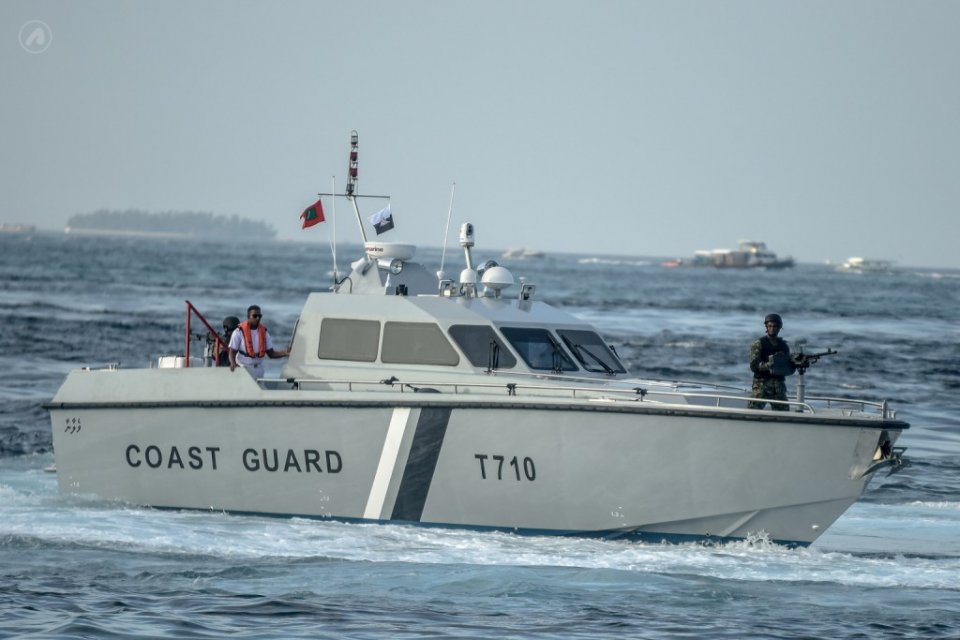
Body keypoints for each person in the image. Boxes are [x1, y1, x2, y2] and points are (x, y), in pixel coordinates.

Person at [748, 313, 795, 410]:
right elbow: (754, 366)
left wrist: (796, 363)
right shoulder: (759, 344)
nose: (772, 329)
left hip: (778, 385)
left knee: (784, 411)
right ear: (766, 327)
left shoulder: (783, 345)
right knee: (753, 411)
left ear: (779, 328)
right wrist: (769, 365)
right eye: (769, 326)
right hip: (762, 384)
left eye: (775, 326)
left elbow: (787, 367)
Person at [228, 305, 289, 378]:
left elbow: (271, 354)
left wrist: (285, 353)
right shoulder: (238, 332)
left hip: (258, 369)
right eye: (255, 316)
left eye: (259, 316)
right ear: (248, 316)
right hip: (244, 368)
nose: (257, 318)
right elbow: (232, 351)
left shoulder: (264, 332)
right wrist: (233, 363)